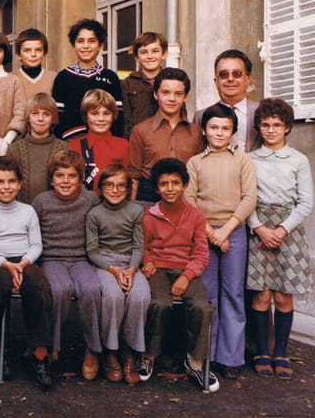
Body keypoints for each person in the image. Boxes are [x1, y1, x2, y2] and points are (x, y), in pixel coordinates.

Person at [185, 103, 257, 379]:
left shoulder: (242, 160)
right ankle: (207, 354)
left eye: (225, 128)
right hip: (203, 232)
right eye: (213, 127)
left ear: (233, 132)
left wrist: (225, 231)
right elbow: (189, 199)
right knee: (208, 295)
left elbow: (249, 198)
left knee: (233, 294)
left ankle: (230, 357)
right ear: (204, 130)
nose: (219, 133)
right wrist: (209, 232)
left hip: (233, 231)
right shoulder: (195, 163)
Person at [138, 158, 218, 392]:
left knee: (202, 307)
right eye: (164, 184)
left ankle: (195, 361)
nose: (170, 188)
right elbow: (141, 245)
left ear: (184, 185)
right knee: (159, 304)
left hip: (186, 270)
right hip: (158, 269)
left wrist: (186, 276)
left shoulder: (196, 216)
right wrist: (147, 260)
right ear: (156, 188)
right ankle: (149, 354)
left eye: (175, 183)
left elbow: (201, 253)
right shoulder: (149, 216)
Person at [247, 99, 313, 380]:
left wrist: (282, 230)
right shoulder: (250, 159)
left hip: (289, 231)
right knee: (262, 293)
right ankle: (262, 351)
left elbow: (305, 202)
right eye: (265, 125)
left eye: (277, 125)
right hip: (259, 227)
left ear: (287, 127)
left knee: (283, 295)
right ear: (258, 127)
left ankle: (281, 351)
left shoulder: (298, 160)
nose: (271, 130)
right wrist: (259, 228)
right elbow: (246, 198)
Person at [0, 156, 53, 387]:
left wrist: (23, 263)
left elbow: (36, 245)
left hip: (24, 260)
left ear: (20, 184)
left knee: (40, 288)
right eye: (0, 182)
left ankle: (39, 353)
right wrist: (5, 264)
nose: (6, 187)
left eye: (11, 181)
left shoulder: (27, 211)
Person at [31, 150, 102, 378]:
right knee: (59, 290)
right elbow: (32, 234)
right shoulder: (41, 201)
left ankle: (92, 349)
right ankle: (54, 346)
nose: (65, 181)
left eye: (71, 176)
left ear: (80, 179)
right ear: (52, 179)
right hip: (52, 258)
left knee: (91, 289)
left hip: (82, 258)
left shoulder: (91, 199)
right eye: (60, 176)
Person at [85, 165, 149, 385]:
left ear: (128, 188)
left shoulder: (136, 211)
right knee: (112, 296)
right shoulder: (94, 214)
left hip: (130, 262)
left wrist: (131, 269)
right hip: (104, 264)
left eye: (121, 186)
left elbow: (139, 246)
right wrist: (114, 270)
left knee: (140, 296)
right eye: (109, 185)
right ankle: (110, 352)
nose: (115, 190)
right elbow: (92, 251)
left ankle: (130, 351)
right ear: (101, 188)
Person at [128, 67, 203, 203]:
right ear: (156, 94)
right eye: (166, 93)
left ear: (185, 97)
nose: (171, 99)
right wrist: (131, 209)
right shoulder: (140, 130)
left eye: (178, 94)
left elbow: (200, 174)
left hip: (186, 195)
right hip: (148, 195)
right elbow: (134, 176)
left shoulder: (196, 132)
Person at [52, 19, 123, 139]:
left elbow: (118, 117)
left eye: (91, 41)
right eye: (80, 41)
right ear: (73, 45)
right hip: (70, 141)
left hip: (105, 141)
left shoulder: (110, 77)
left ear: (100, 46)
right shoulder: (63, 77)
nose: (86, 46)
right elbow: (57, 118)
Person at [7, 93, 69, 204]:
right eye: (35, 113)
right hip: (21, 210)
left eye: (46, 114)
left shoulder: (64, 148)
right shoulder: (14, 149)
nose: (40, 119)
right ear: (28, 117)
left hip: (55, 210)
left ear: (53, 118)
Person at [195, 49, 259, 152]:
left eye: (237, 73)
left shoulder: (262, 112)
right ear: (216, 81)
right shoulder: (200, 116)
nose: (230, 79)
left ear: (247, 80)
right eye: (223, 74)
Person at [68, 89, 129, 192]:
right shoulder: (73, 145)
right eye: (94, 113)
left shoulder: (123, 145)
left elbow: (127, 181)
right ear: (86, 116)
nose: (101, 119)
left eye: (106, 113)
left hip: (113, 199)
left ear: (113, 116)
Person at [121, 32, 167, 139]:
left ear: (164, 54)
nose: (150, 56)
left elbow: (181, 114)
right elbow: (126, 119)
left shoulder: (172, 80)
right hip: (139, 139)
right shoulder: (128, 83)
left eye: (155, 51)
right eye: (144, 52)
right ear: (136, 57)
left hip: (166, 138)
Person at [14, 28, 57, 101]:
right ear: (18, 55)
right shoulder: (11, 79)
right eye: (27, 50)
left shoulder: (54, 78)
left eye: (38, 50)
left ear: (45, 54)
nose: (33, 54)